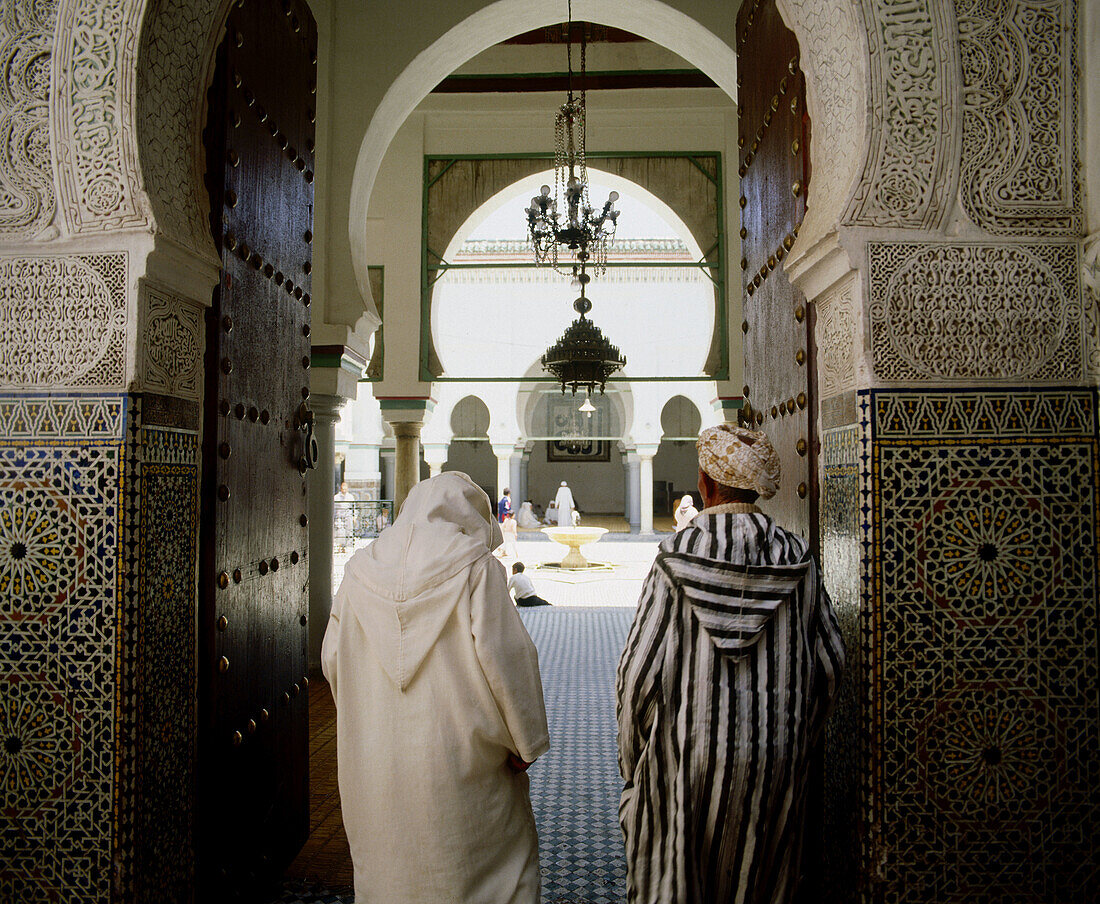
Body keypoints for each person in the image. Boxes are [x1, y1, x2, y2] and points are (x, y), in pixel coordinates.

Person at [616, 425, 844, 904]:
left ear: (705, 483)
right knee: (758, 879)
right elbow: (830, 664)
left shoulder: (675, 558)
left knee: (680, 878)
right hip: (774, 760)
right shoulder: (795, 556)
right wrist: (795, 739)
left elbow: (637, 674)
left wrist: (635, 762)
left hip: (686, 761)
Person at [322, 472, 550, 903]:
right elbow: (508, 659)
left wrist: (368, 715)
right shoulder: (478, 569)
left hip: (377, 764)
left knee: (391, 874)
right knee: (483, 875)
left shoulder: (358, 571)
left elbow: (332, 660)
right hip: (463, 763)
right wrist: (526, 743)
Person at [334, 480, 355, 550]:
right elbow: (334, 508)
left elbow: (353, 507)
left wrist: (354, 517)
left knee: (349, 531)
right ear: (341, 489)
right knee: (340, 532)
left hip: (348, 516)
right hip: (339, 516)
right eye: (343, 489)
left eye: (345, 489)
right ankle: (340, 546)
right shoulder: (336, 497)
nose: (344, 490)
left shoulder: (350, 497)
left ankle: (348, 546)